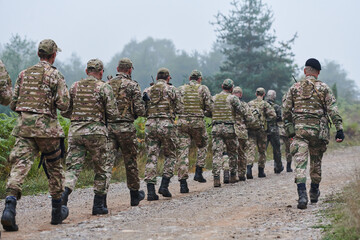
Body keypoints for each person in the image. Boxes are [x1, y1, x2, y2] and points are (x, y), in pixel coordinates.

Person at [1, 39, 70, 231]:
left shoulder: (23, 74)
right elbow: (64, 105)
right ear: (54, 55)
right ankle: (57, 213)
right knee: (55, 167)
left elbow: (13, 104)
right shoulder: (55, 75)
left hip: (24, 128)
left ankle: (9, 209)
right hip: (48, 130)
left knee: (19, 166)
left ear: (38, 54)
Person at [283, 58, 344, 209]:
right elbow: (332, 110)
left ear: (305, 71)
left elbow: (285, 111)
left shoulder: (294, 88)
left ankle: (302, 196)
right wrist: (339, 129)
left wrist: (289, 128)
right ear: (318, 72)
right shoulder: (324, 88)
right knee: (316, 162)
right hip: (318, 132)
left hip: (300, 131)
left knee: (300, 163)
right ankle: (314, 192)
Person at [61, 59, 118, 215]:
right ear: (101, 73)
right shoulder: (104, 87)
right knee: (101, 168)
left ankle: (63, 197)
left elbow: (65, 111)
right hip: (96, 133)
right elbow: (113, 114)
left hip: (76, 132)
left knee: (72, 168)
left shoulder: (75, 86)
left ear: (86, 71)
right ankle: (98, 205)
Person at [106, 58, 145, 206]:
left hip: (109, 128)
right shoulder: (133, 85)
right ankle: (134, 195)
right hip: (126, 129)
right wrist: (145, 102)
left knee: (106, 163)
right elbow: (140, 111)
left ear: (117, 68)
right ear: (129, 70)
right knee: (130, 162)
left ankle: (100, 200)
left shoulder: (107, 85)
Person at [144, 68, 182, 200]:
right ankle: (164, 185)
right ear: (168, 78)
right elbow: (180, 108)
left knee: (151, 156)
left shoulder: (148, 90)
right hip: (166, 125)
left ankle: (150, 191)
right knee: (170, 155)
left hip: (150, 125)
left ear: (156, 77)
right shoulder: (172, 90)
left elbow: (142, 109)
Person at [177, 70, 212, 193]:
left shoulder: (180, 89)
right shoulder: (203, 89)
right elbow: (209, 107)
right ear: (199, 79)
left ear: (189, 78)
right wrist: (204, 113)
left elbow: (176, 105)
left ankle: (183, 183)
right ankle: (198, 171)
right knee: (202, 145)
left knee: (182, 151)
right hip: (197, 122)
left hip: (182, 123)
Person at [211, 79, 248, 187]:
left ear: (222, 86)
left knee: (217, 154)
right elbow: (242, 111)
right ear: (232, 88)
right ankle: (232, 176)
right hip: (229, 129)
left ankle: (216, 179)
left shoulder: (214, 97)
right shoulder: (233, 98)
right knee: (232, 153)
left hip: (216, 128)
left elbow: (208, 111)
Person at [247, 88, 276, 178]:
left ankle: (248, 169)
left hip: (251, 129)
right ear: (263, 94)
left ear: (256, 94)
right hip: (261, 130)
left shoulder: (250, 103)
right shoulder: (265, 104)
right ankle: (261, 171)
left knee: (250, 149)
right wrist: (267, 120)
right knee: (262, 151)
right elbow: (273, 115)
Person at [232, 86, 259, 181]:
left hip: (230, 130)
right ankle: (241, 174)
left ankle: (230, 173)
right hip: (242, 131)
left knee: (229, 152)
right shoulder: (243, 105)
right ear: (241, 94)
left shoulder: (227, 104)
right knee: (242, 152)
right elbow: (250, 119)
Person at [265, 89, 284, 174]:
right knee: (276, 149)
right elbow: (280, 118)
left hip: (264, 130)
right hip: (273, 130)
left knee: (262, 149)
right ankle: (278, 167)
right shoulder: (276, 107)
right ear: (274, 97)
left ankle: (260, 168)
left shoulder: (262, 105)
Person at [278, 94, 293, 172]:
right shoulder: (291, 109)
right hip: (288, 131)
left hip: (280, 130)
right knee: (289, 149)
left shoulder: (279, 108)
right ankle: (288, 166)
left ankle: (278, 165)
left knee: (279, 149)